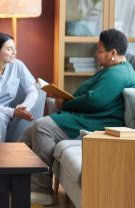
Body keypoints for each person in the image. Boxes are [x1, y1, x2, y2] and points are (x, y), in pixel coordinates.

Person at [21, 29, 135, 205]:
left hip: (97, 122)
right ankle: (19, 183)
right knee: (28, 133)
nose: (97, 55)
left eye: (100, 50)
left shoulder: (119, 73)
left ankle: (42, 190)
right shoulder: (113, 70)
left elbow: (95, 100)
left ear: (113, 53)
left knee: (42, 126)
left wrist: (65, 104)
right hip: (88, 116)